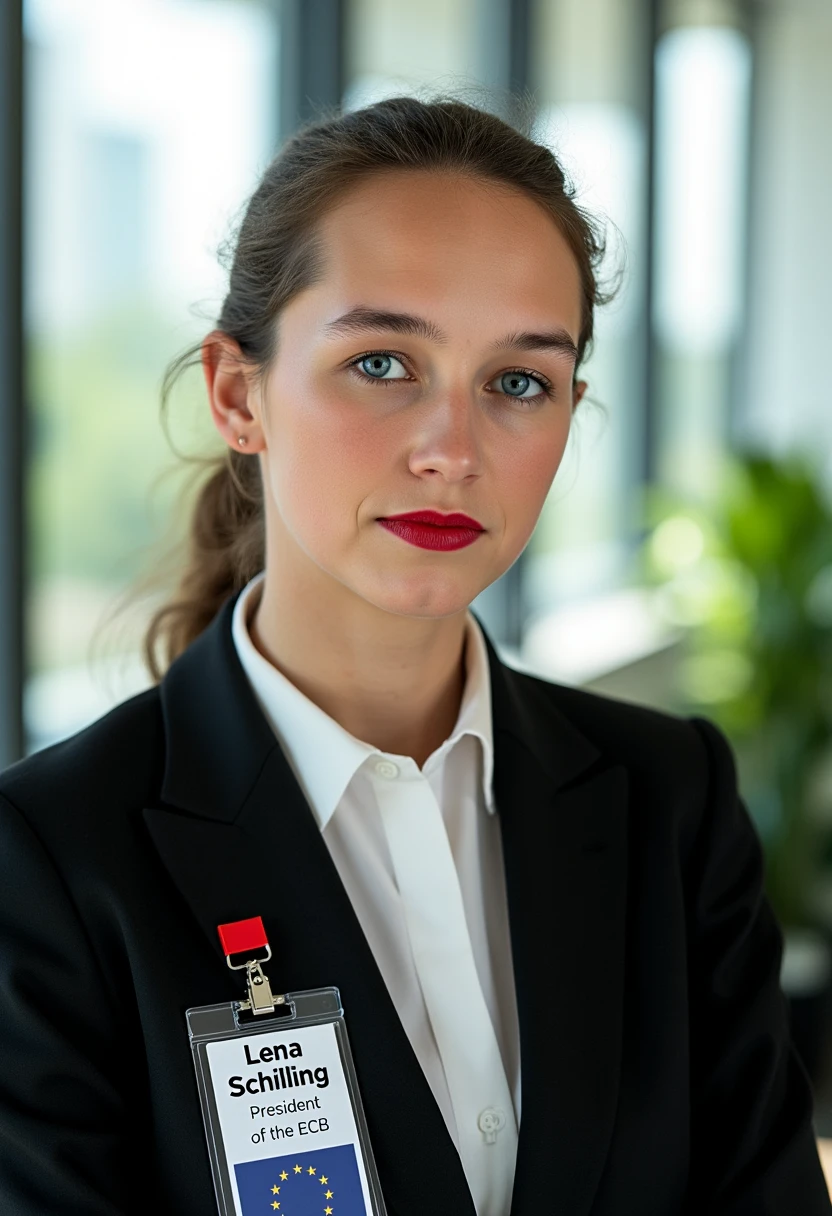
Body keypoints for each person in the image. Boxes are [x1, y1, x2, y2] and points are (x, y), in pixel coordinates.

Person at [0, 92, 829, 1216]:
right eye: (384, 363)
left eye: (519, 383)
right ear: (239, 394)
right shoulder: (54, 855)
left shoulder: (667, 796)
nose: (453, 450)